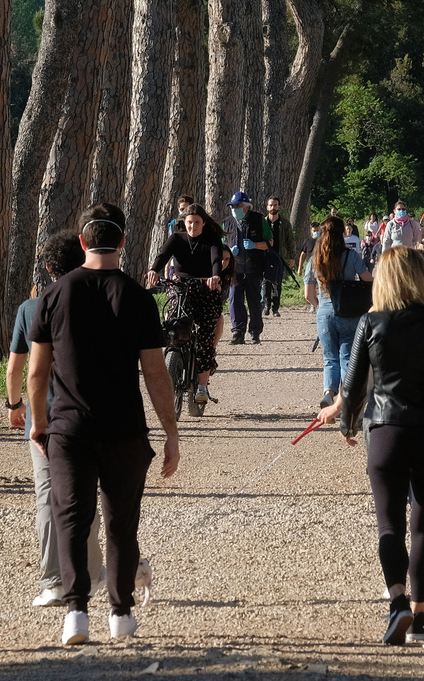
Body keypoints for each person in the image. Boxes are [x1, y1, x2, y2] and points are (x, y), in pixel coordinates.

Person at [28, 202, 180, 645]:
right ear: (123, 241)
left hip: (70, 428)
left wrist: (39, 422)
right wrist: (170, 431)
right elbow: (155, 373)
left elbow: (36, 373)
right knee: (121, 522)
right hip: (125, 429)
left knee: (72, 518)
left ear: (82, 242)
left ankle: (75, 611)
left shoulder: (54, 295)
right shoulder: (136, 296)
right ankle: (121, 613)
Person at [316, 246, 424, 644]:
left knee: (388, 524)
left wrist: (348, 423)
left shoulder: (371, 322)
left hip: (385, 430)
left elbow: (354, 384)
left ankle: (396, 604)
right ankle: (422, 620)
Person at [6, 234, 104, 608]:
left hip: (43, 414)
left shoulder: (30, 309)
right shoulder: (99, 302)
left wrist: (14, 404)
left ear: (48, 269)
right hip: (87, 412)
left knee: (49, 495)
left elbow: (17, 366)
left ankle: (52, 580)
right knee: (86, 494)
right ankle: (92, 574)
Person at [148, 203, 225, 407]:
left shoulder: (212, 239)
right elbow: (162, 257)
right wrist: (154, 270)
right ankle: (171, 362)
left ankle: (201, 386)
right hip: (180, 288)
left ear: (204, 223)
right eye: (189, 223)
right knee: (172, 325)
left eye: (197, 223)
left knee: (206, 334)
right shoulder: (176, 238)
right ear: (184, 223)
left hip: (205, 288)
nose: (193, 226)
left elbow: (216, 259)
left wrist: (215, 276)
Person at [304, 216, 373, 409]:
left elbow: (308, 294)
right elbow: (368, 279)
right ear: (343, 233)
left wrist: (320, 306)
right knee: (347, 357)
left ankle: (328, 393)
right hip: (349, 311)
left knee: (329, 357)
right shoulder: (351, 256)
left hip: (324, 312)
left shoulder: (314, 259)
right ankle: (346, 399)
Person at [222, 191, 270, 344]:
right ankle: (238, 332)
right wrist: (229, 251)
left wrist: (256, 245)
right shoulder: (227, 222)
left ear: (247, 207)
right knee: (234, 299)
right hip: (234, 269)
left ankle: (255, 332)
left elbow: (270, 242)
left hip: (254, 268)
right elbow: (221, 244)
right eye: (232, 206)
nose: (234, 208)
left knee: (254, 301)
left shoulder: (259, 220)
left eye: (238, 206)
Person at [261, 196, 297, 318]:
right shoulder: (263, 222)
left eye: (275, 205)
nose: (273, 207)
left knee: (277, 283)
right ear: (267, 207)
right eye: (271, 205)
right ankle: (266, 305)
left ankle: (275, 308)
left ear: (279, 207)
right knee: (265, 282)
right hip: (265, 256)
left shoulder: (285, 223)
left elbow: (290, 241)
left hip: (279, 257)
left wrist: (292, 257)